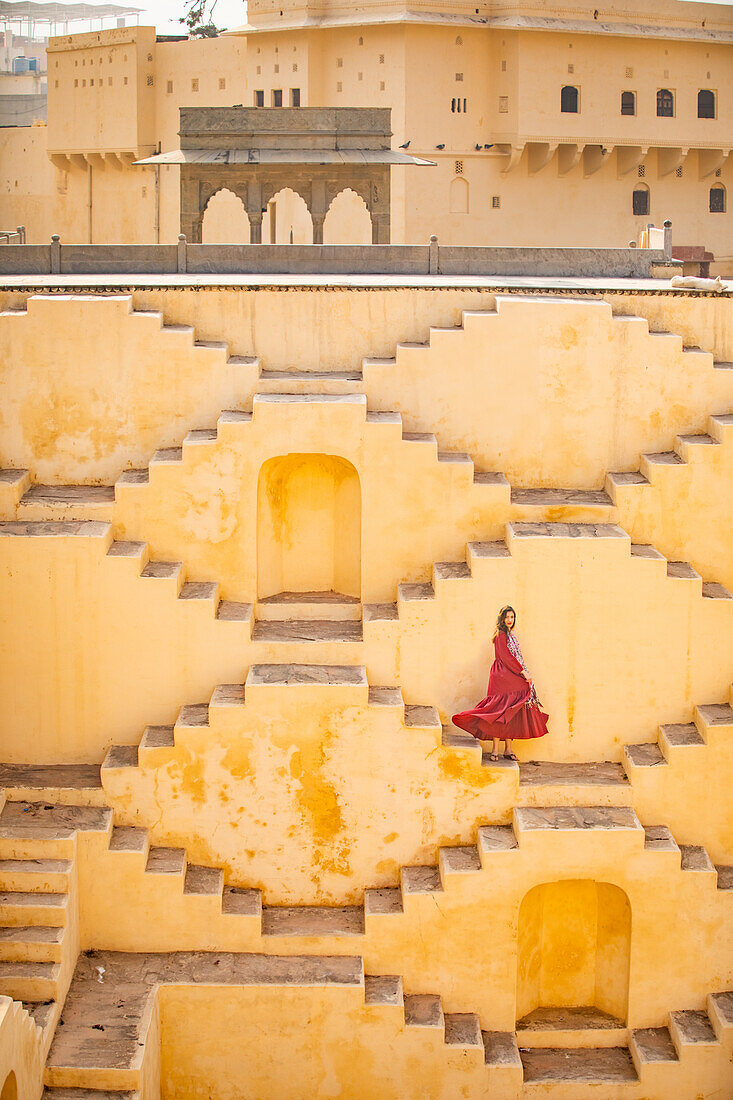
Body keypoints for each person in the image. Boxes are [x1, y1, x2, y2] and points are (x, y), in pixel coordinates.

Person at [452, 605, 548, 762]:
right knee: (499, 712)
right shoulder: (501, 635)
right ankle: (495, 750)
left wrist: (522, 673)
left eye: (512, 617)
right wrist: (522, 671)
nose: (510, 620)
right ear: (501, 619)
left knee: (511, 712)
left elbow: (513, 657)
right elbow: (506, 657)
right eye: (507, 617)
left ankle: (508, 749)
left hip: (510, 675)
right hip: (502, 676)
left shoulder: (510, 635)